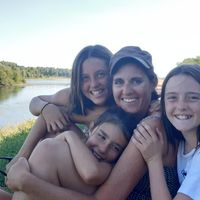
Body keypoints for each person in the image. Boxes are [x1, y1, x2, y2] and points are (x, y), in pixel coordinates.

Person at [5, 46, 179, 200]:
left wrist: (26, 182)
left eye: (137, 81)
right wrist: (45, 110)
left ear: (152, 83)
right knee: (52, 137)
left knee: (49, 151)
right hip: (112, 184)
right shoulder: (113, 112)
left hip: (131, 194)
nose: (127, 90)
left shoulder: (150, 125)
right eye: (119, 82)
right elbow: (49, 113)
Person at [7, 44, 114, 170]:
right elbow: (35, 101)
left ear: (112, 73)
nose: (94, 84)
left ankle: (25, 175)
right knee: (52, 121)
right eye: (85, 78)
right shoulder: (74, 96)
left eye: (101, 74)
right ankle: (21, 158)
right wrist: (46, 108)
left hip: (100, 164)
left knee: (54, 135)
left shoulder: (120, 106)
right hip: (82, 148)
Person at [12, 108, 135, 200]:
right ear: (92, 128)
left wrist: (69, 135)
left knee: (48, 148)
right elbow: (44, 115)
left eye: (115, 148)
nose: (103, 149)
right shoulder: (81, 144)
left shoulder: (107, 166)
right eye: (102, 136)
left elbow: (91, 173)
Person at [132, 64, 200, 199]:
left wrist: (153, 159)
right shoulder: (181, 143)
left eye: (193, 97)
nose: (181, 106)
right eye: (172, 98)